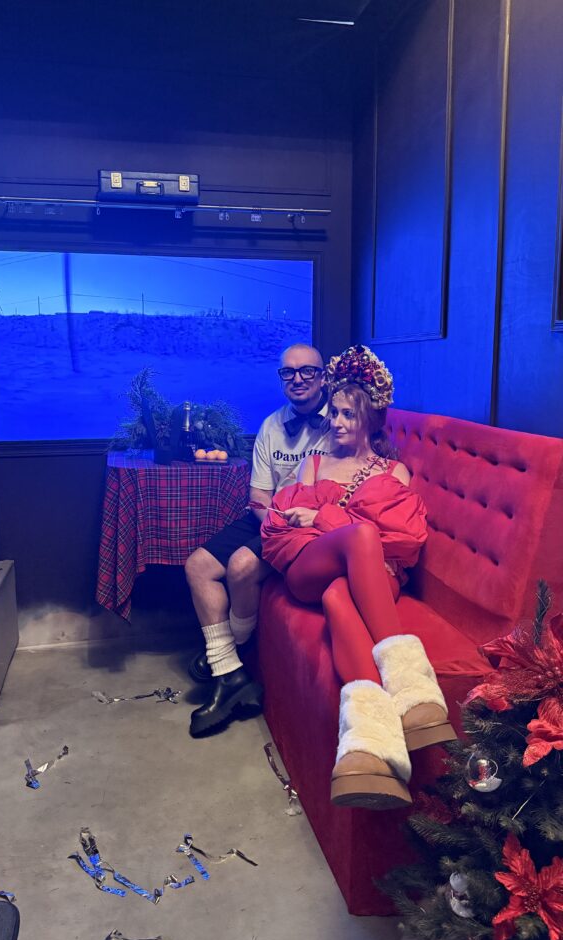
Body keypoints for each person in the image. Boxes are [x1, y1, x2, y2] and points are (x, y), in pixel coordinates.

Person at [261, 344, 457, 811]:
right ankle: (409, 686)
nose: (336, 422)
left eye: (348, 414)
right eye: (334, 413)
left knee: (338, 594)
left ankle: (369, 746)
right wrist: (340, 526)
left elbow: (403, 540)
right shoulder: (313, 464)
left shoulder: (394, 471)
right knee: (361, 538)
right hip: (309, 566)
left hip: (372, 574)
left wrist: (323, 517)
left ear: (370, 418)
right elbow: (284, 524)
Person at [186, 343, 330, 737]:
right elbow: (259, 495)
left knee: (242, 564)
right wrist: (273, 524)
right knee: (197, 566)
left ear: (323, 377)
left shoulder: (340, 422)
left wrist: (296, 526)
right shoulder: (271, 425)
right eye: (288, 372)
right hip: (271, 518)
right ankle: (231, 673)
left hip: (312, 527)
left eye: (307, 371)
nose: (297, 379)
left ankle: (228, 653)